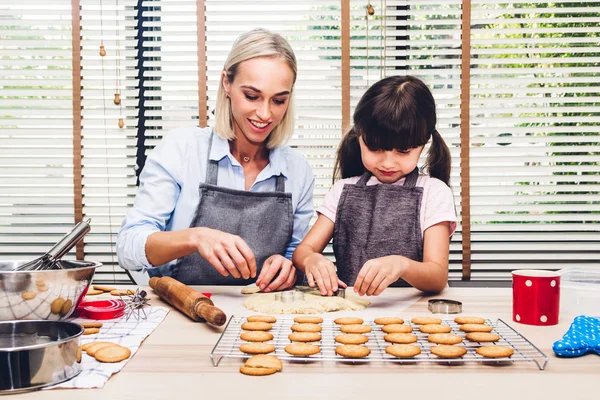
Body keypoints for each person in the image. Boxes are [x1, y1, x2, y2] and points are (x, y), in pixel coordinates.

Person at [117, 28, 315, 291]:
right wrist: (194, 237)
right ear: (227, 84)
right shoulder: (182, 150)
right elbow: (128, 245)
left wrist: (288, 266)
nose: (265, 114)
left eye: (278, 100)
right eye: (252, 96)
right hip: (181, 311)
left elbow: (295, 254)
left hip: (259, 312)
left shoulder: (298, 170)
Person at [292, 75, 456, 296]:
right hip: (352, 315)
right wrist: (312, 259)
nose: (388, 162)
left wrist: (402, 265)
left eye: (403, 151)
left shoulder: (434, 193)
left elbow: (437, 277)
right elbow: (303, 250)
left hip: (410, 316)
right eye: (375, 148)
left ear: (424, 143)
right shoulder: (342, 191)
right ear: (359, 137)